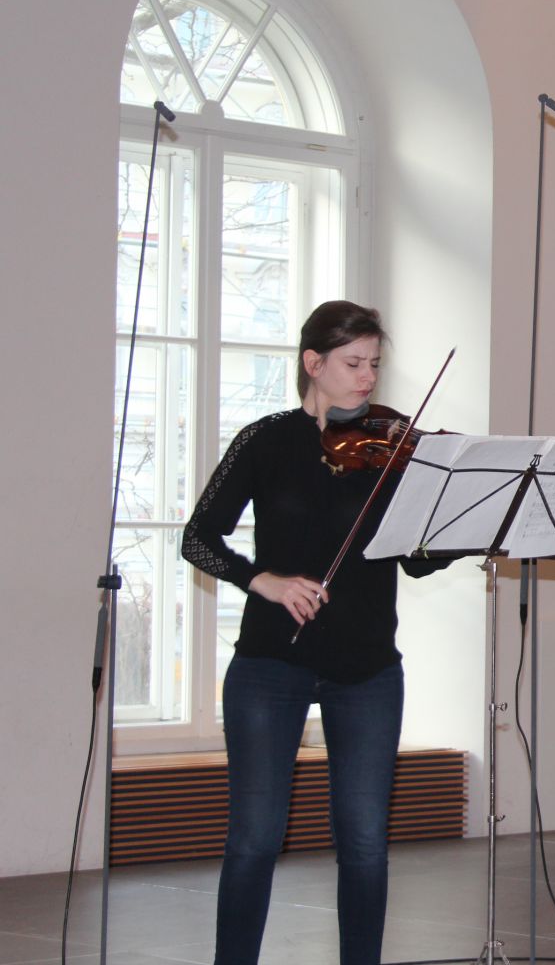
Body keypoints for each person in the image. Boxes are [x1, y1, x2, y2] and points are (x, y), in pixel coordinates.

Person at [182, 301, 451, 965]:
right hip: (270, 664)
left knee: (364, 842)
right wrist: (263, 581)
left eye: (374, 365)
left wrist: (461, 532)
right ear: (313, 362)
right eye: (354, 363)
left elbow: (416, 563)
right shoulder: (265, 440)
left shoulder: (392, 449)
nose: (368, 378)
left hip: (368, 668)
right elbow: (199, 538)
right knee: (254, 838)